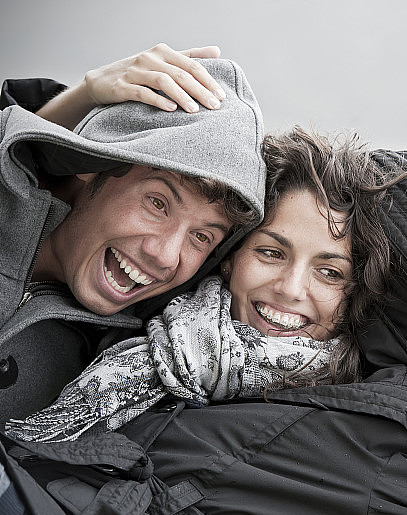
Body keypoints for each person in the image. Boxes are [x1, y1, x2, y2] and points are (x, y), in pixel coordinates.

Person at [2, 125, 407, 515]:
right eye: (272, 252)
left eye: (329, 272)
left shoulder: (379, 448)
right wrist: (72, 103)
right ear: (232, 252)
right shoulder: (151, 322)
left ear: (361, 294)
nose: (289, 289)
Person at [0, 49, 266, 424]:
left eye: (202, 237)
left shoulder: (127, 366)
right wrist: (85, 95)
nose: (165, 255)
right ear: (93, 164)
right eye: (158, 203)